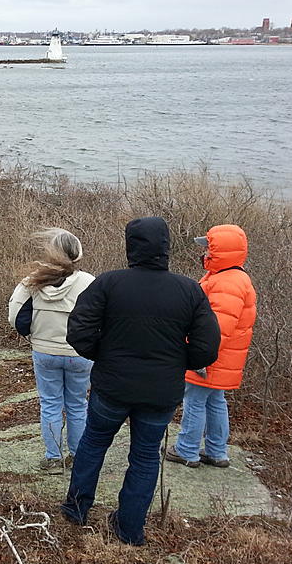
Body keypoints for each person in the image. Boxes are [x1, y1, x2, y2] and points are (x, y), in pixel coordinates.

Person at [60, 216, 220, 546]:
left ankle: (76, 511)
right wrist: (177, 364)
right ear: (166, 248)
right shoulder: (189, 290)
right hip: (160, 393)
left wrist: (102, 355)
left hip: (111, 387)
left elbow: (78, 331)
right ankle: (130, 531)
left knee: (93, 444)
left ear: (130, 245)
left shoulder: (109, 283)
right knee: (145, 457)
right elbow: (207, 348)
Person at [166, 224, 257, 468]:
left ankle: (187, 450)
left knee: (195, 400)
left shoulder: (227, 282)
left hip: (211, 357)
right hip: (222, 358)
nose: (205, 253)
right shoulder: (230, 277)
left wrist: (200, 356)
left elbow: (218, 328)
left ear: (220, 252)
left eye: (208, 248)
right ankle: (217, 451)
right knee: (215, 400)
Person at [8, 228, 95, 472]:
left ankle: (53, 458)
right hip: (80, 353)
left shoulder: (32, 281)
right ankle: (78, 457)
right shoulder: (89, 282)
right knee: (78, 405)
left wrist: (31, 335)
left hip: (45, 351)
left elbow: (15, 315)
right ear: (77, 254)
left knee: (50, 404)